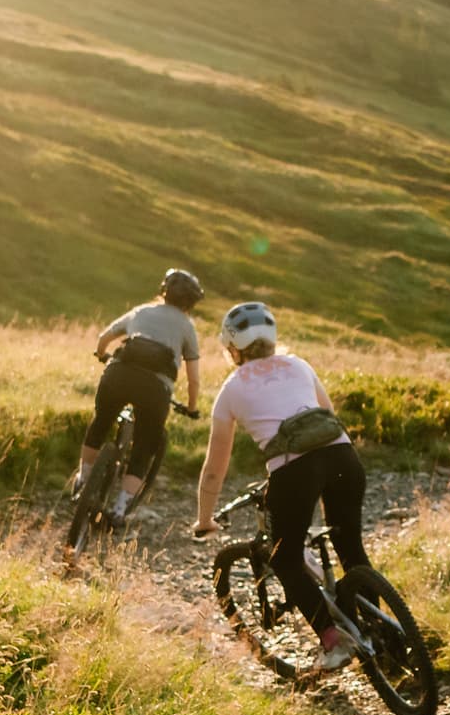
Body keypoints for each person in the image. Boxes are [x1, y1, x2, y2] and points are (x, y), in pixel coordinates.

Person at [187, 300, 367, 678]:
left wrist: (204, 518)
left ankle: (333, 642)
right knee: (350, 548)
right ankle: (384, 637)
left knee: (285, 560)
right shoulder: (300, 365)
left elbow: (215, 467)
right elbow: (328, 415)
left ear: (233, 348)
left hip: (294, 472)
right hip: (343, 457)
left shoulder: (232, 388)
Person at [73, 267, 208, 522]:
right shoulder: (187, 328)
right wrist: (191, 408)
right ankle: (119, 509)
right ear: (191, 303)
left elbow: (104, 338)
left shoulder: (142, 311)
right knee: (144, 446)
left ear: (163, 291)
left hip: (118, 374)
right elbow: (194, 378)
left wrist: (102, 355)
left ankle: (83, 478)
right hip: (155, 391)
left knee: (101, 422)